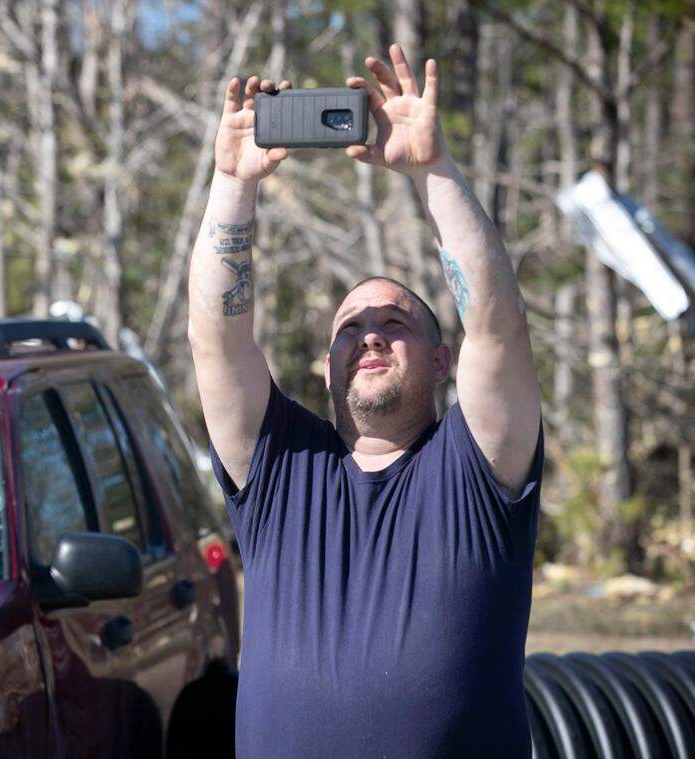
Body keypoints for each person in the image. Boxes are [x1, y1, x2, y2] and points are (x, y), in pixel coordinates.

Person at [186, 44, 544, 757]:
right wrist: (233, 181)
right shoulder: (281, 466)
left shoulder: (477, 467)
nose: (371, 337)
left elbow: (498, 326)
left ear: (443, 361)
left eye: (396, 324)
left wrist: (433, 171)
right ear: (326, 366)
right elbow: (217, 338)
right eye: (351, 328)